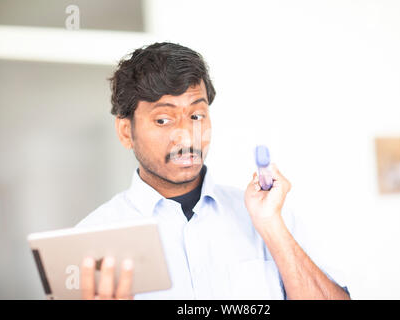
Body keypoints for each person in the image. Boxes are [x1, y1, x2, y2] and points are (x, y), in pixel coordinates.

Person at [75, 42, 350, 300]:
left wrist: (271, 227)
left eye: (196, 116)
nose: (187, 136)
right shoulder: (91, 241)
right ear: (126, 132)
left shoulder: (269, 217)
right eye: (163, 119)